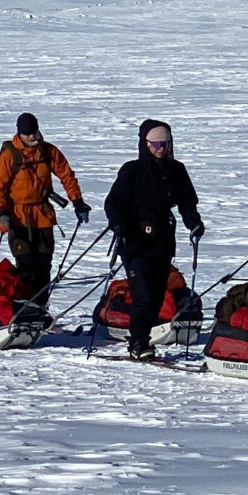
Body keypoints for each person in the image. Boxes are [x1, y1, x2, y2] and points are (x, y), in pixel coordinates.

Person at [104, 119, 203, 359]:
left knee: (158, 296)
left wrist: (195, 224)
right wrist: (118, 226)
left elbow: (187, 203)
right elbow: (113, 203)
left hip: (163, 242)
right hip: (135, 243)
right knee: (144, 295)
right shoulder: (132, 170)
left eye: (165, 144)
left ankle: (144, 338)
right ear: (145, 144)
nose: (160, 149)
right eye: (155, 144)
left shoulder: (176, 170)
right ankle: (138, 342)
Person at [0, 113, 87, 319]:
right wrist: (1, 212)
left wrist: (77, 201)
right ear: (19, 133)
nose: (31, 136)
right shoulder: (10, 156)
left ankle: (40, 312)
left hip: (43, 217)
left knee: (43, 267)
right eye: (26, 133)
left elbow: (66, 175)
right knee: (26, 267)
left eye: (33, 131)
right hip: (18, 218)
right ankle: (25, 312)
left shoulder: (48, 151)